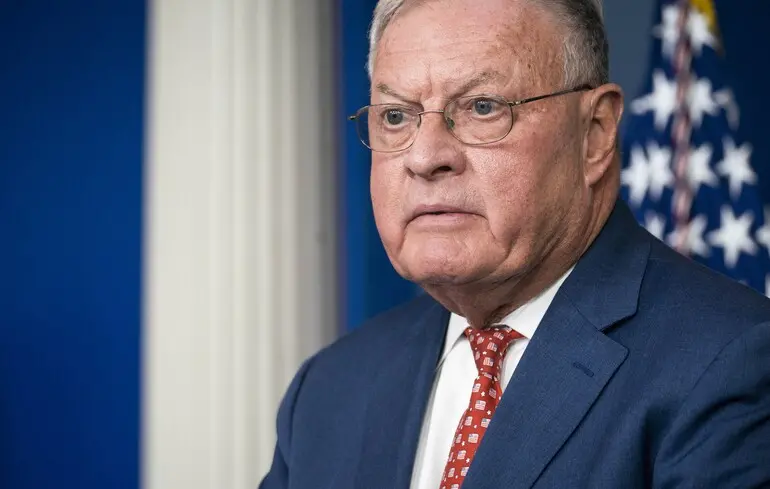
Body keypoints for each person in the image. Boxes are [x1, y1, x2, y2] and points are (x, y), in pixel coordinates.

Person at [260, 0, 770, 487]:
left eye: (482, 107)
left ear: (595, 133)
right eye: (396, 116)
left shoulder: (730, 365)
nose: (425, 157)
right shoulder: (329, 389)